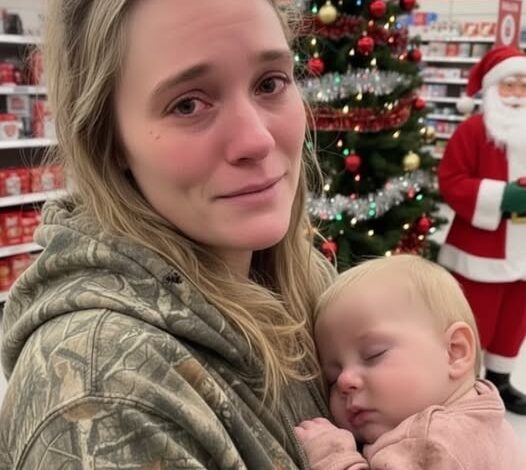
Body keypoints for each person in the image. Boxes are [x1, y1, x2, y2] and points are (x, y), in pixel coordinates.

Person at [0, 0, 336, 468]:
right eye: (188, 104)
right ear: (108, 139)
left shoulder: (300, 277)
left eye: (270, 83)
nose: (257, 139)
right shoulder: (105, 397)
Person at [295, 255, 526, 470]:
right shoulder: (484, 414)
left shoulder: (433, 442)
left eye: (374, 354)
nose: (344, 381)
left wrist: (331, 455)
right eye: (332, 379)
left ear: (454, 352)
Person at [438, 45, 526, 414]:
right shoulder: (472, 131)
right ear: (492, 89)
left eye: (523, 86)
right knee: (475, 321)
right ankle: (464, 385)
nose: (517, 94)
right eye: (509, 85)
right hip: (479, 250)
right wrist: (503, 196)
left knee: (514, 321)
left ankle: (501, 381)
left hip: (523, 252)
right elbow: (451, 180)